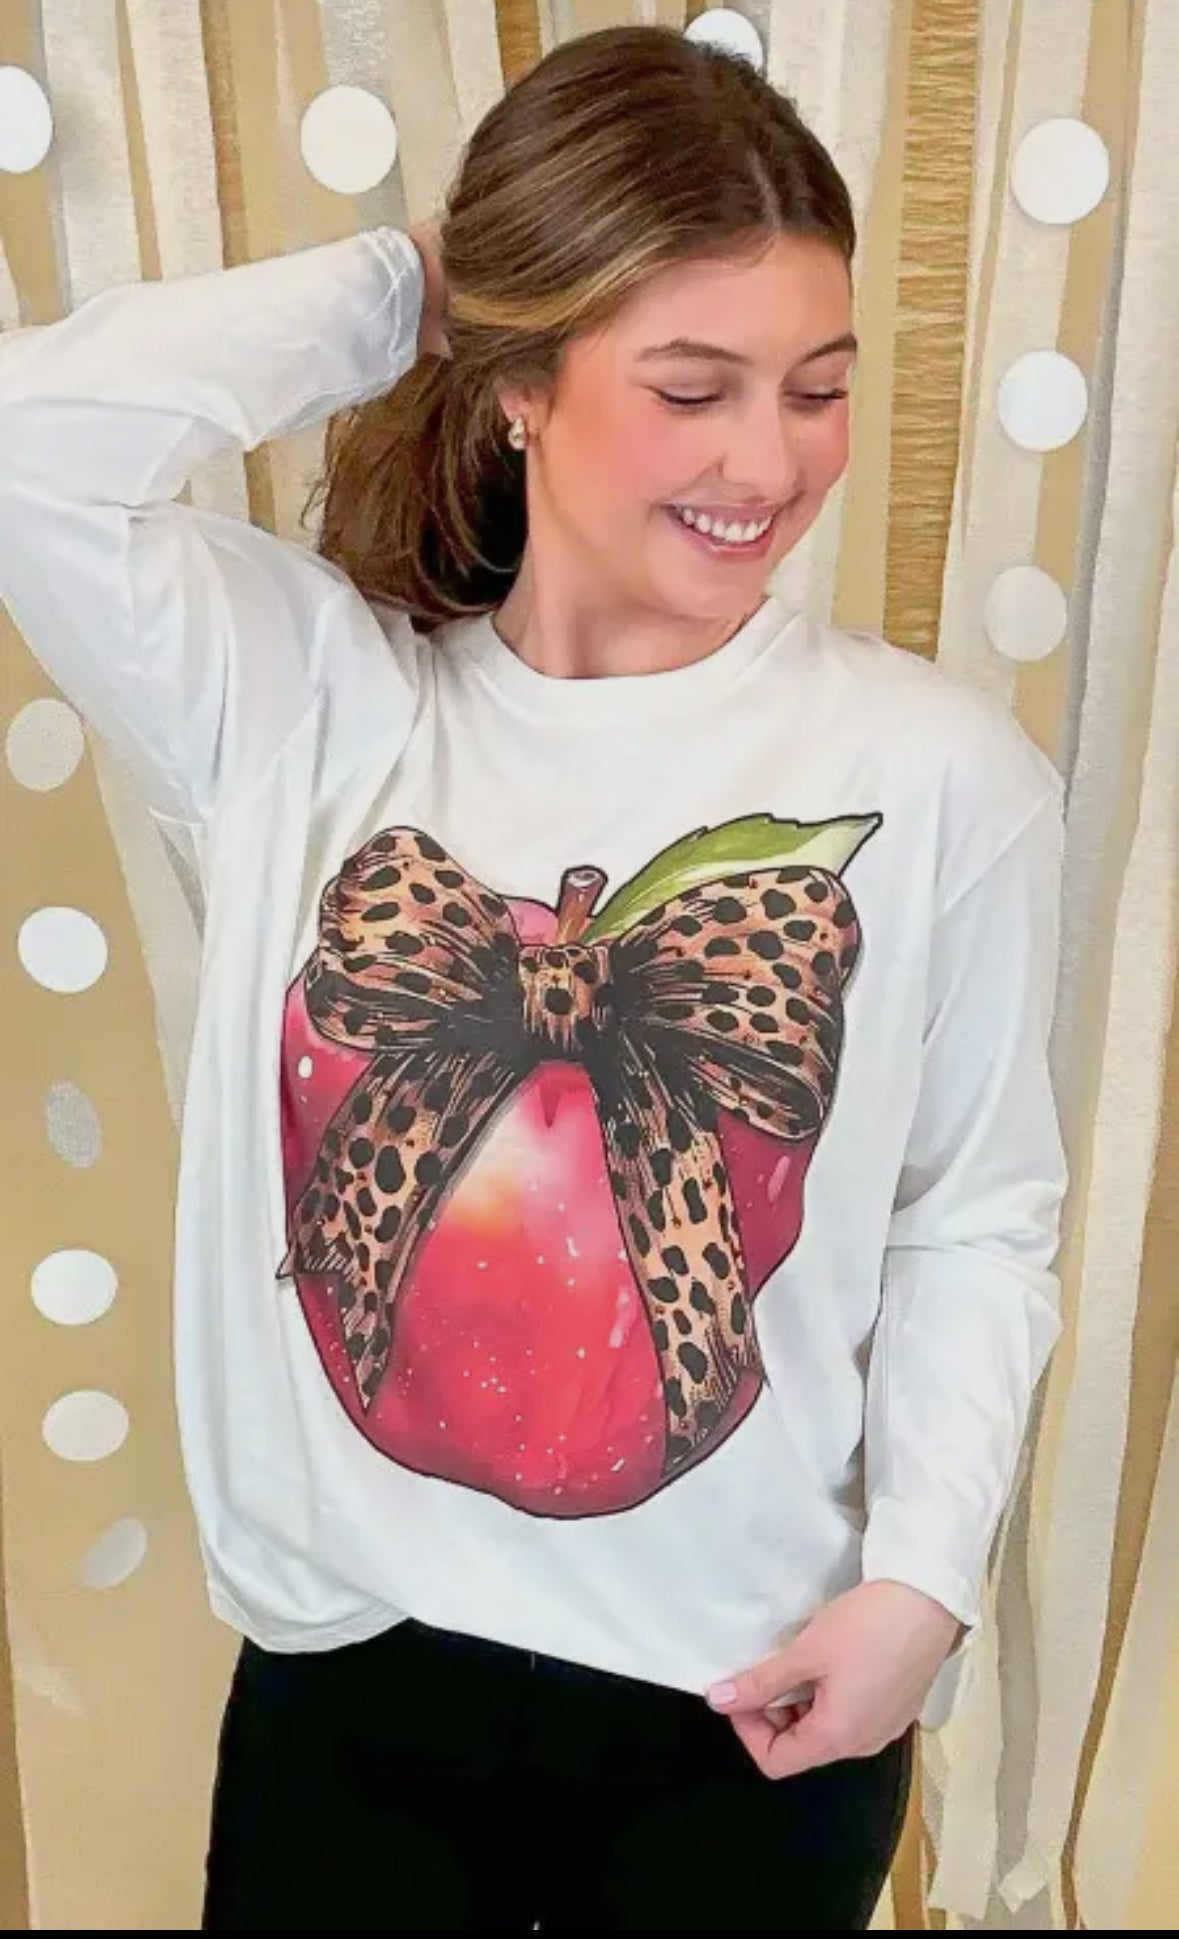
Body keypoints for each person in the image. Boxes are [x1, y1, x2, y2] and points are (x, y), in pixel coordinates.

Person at [0, 23, 1066, 1934]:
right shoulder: (310, 707)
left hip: (747, 1712)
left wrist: (923, 1583)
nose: (770, 462)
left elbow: (972, 1214)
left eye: (818, 389)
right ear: (518, 389)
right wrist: (415, 282)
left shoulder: (935, 779)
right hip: (355, 1694)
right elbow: (29, 444)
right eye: (692, 386)